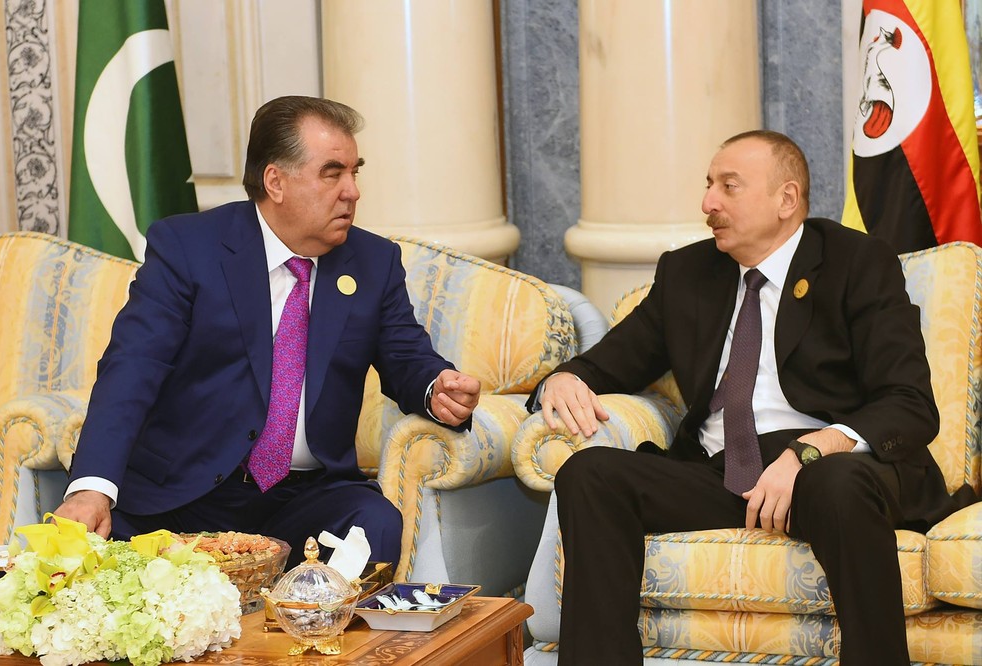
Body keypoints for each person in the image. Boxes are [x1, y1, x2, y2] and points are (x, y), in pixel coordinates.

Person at [531, 130, 976, 664]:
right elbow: (610, 361)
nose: (708, 203)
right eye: (708, 185)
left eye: (729, 186)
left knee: (836, 483)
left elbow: (908, 401)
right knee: (589, 474)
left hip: (832, 467)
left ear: (786, 199)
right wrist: (565, 377)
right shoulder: (687, 273)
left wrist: (809, 451)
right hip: (725, 471)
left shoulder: (857, 262)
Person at [54, 96, 481, 568]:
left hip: (302, 498)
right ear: (275, 181)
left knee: (374, 522)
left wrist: (436, 388)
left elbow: (406, 356)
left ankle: (322, 620)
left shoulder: (372, 263)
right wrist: (91, 488)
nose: (352, 191)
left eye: (355, 172)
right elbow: (132, 368)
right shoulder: (190, 248)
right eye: (332, 173)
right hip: (183, 494)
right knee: (102, 560)